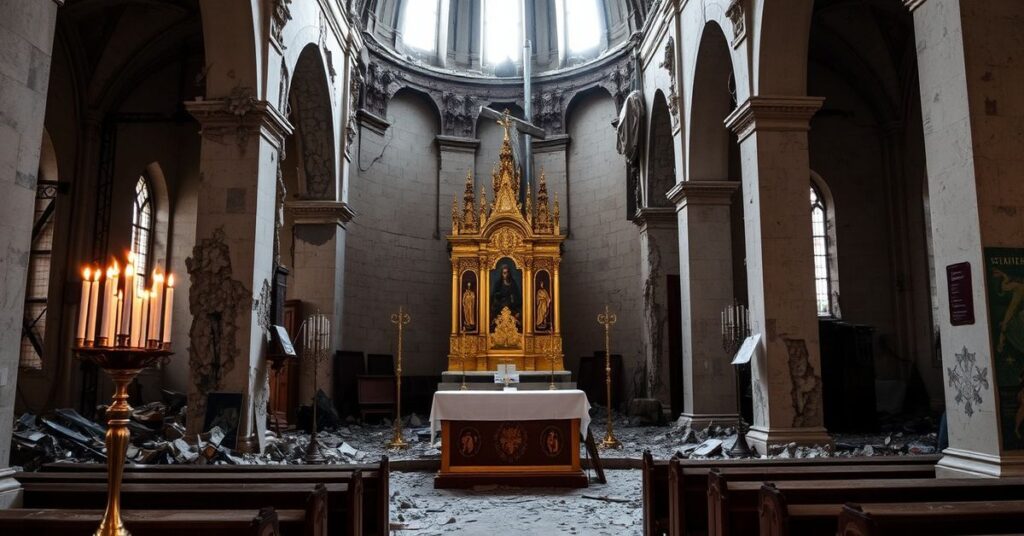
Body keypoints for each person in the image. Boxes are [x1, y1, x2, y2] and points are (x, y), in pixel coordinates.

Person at [491, 263, 521, 328]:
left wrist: (512, 297)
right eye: (504, 273)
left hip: (512, 305)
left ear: (509, 273)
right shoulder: (498, 283)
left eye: (507, 273)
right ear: (501, 274)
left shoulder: (513, 283)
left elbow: (517, 296)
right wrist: (500, 295)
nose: (505, 275)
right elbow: (494, 296)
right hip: (500, 305)